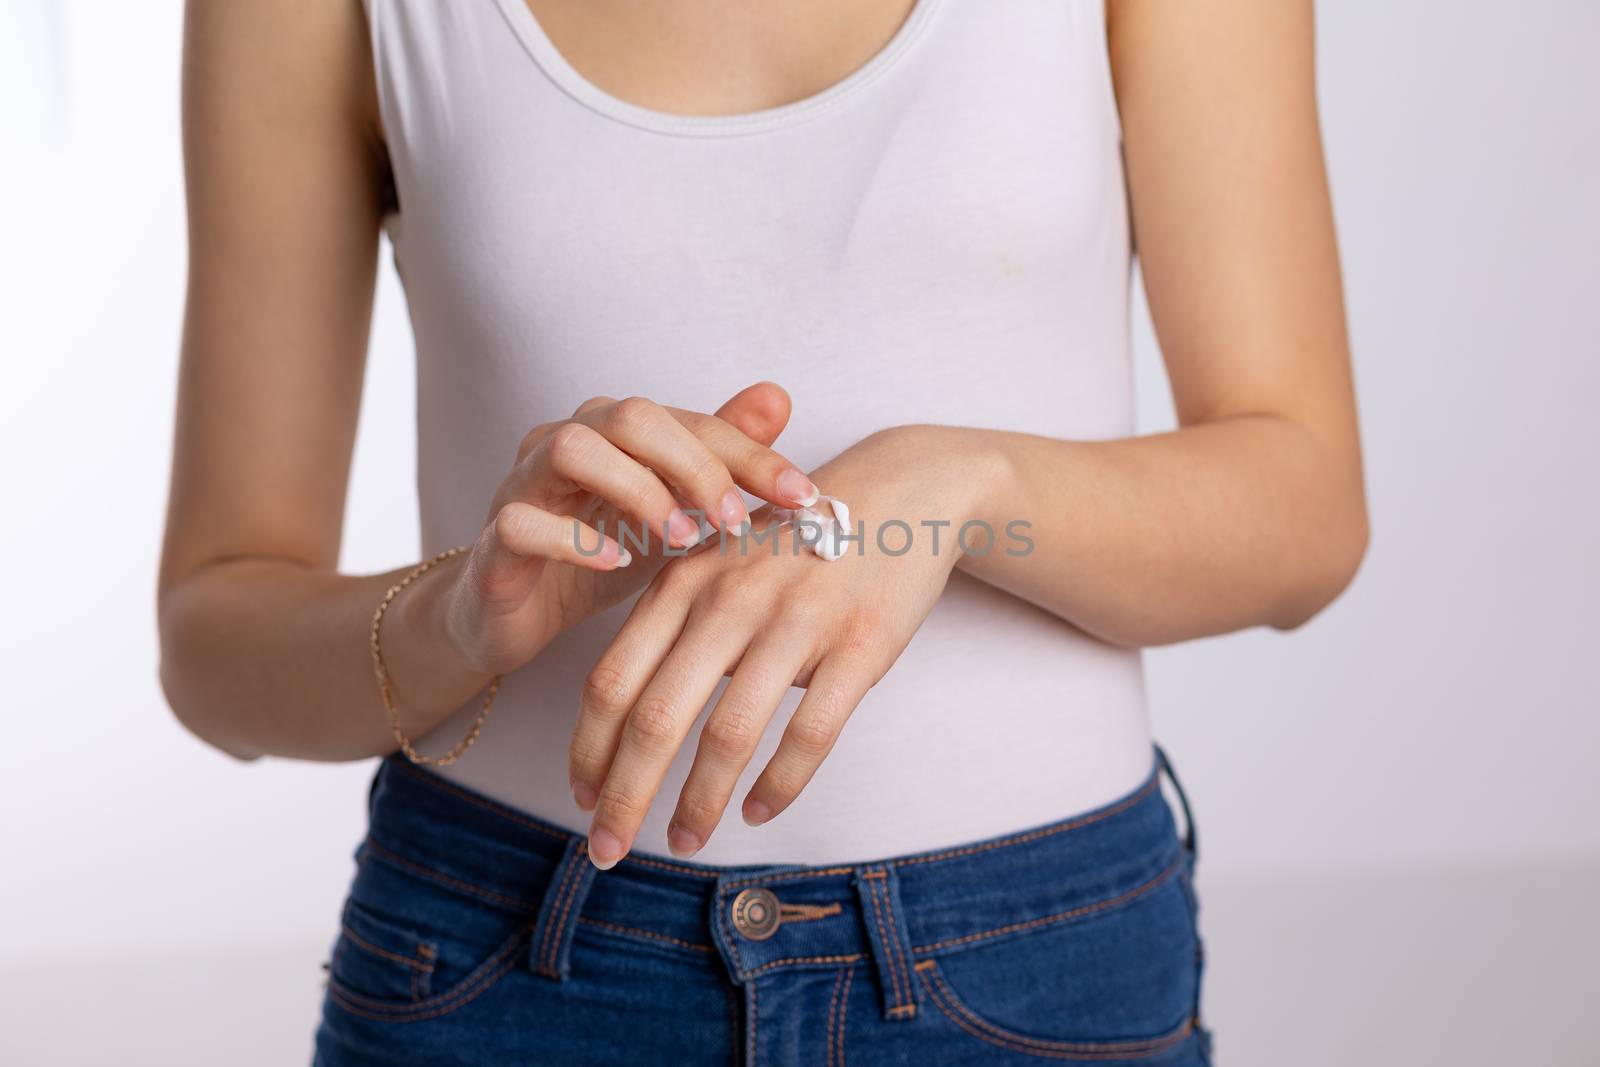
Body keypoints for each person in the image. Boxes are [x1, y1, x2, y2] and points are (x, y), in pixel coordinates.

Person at [159, 0, 1367, 1062]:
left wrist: (951, 489)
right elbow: (215, 637)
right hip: (508, 960)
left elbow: (1304, 509)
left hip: (1033, 967)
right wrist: (459, 617)